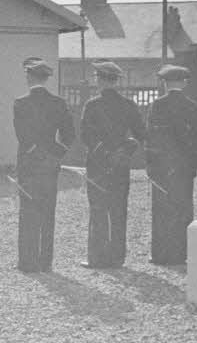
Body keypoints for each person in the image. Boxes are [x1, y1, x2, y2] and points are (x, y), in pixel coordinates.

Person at [78, 60, 144, 268]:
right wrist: (125, 150)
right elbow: (141, 134)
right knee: (118, 210)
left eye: (97, 77)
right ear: (115, 80)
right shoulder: (128, 105)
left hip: (97, 164)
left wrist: (104, 153)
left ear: (100, 79)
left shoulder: (92, 105)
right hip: (120, 165)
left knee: (98, 210)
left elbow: (85, 136)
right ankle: (117, 258)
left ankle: (97, 258)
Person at [13, 57, 74, 272]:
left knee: (28, 211)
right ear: (46, 78)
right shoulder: (58, 103)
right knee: (48, 211)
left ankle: (27, 262)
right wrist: (55, 154)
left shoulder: (21, 103)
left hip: (29, 164)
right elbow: (69, 135)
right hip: (49, 165)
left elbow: (23, 136)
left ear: (29, 77)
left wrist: (35, 152)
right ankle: (45, 262)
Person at [146, 65, 197, 265]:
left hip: (162, 166)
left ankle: (161, 254)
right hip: (184, 167)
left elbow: (151, 137)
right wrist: (194, 164)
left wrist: (151, 165)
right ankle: (182, 253)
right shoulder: (192, 106)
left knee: (161, 209)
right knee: (183, 208)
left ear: (165, 83)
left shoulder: (157, 105)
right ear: (184, 83)